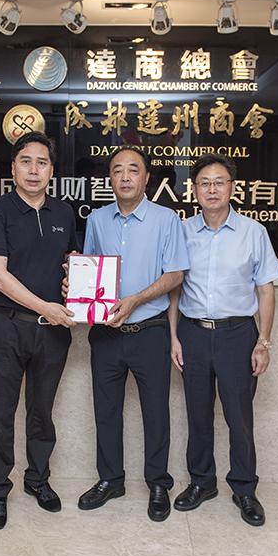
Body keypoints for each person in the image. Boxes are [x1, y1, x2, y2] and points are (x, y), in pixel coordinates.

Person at [168, 153, 278, 527]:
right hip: (193, 333)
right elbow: (173, 288)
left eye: (219, 182)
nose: (212, 189)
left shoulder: (254, 232)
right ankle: (202, 483)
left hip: (238, 335)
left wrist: (263, 341)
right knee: (198, 414)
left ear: (232, 188)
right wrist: (174, 336)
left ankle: (244, 489)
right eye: (204, 183)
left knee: (239, 417)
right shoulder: (182, 231)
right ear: (194, 190)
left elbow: (266, 290)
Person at [77, 146, 190, 522]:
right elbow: (90, 271)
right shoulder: (97, 219)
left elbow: (175, 274)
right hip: (106, 333)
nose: (125, 177)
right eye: (117, 170)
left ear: (146, 178)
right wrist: (75, 284)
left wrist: (137, 299)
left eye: (133, 170)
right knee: (106, 410)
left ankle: (158, 483)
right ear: (109, 178)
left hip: (150, 331)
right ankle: (111, 480)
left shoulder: (166, 219)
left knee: (156, 411)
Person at [0, 131, 78, 531]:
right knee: (1, 411)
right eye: (26, 161)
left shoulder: (63, 213)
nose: (34, 170)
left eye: (42, 162)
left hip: (52, 332)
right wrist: (45, 307)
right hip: (6, 327)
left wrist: (73, 280)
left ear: (52, 170)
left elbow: (69, 260)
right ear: (13, 168)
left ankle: (38, 480)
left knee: (42, 411)